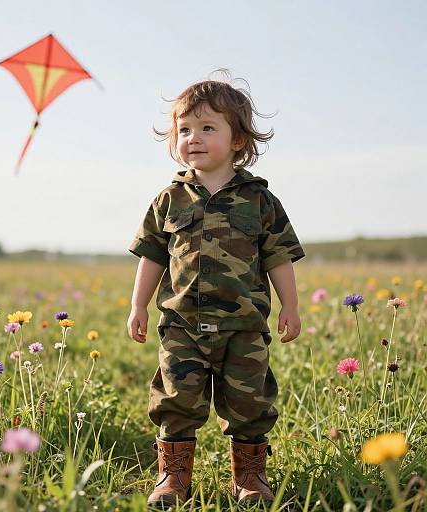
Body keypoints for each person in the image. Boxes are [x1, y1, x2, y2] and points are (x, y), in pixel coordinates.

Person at [127, 77, 305, 508]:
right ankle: (172, 478)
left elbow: (278, 257)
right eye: (184, 129)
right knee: (176, 399)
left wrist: (291, 306)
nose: (194, 138)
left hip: (243, 327)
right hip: (181, 325)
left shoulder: (260, 201)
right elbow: (151, 255)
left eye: (208, 128)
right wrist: (138, 305)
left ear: (237, 138)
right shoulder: (169, 199)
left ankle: (250, 476)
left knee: (249, 402)